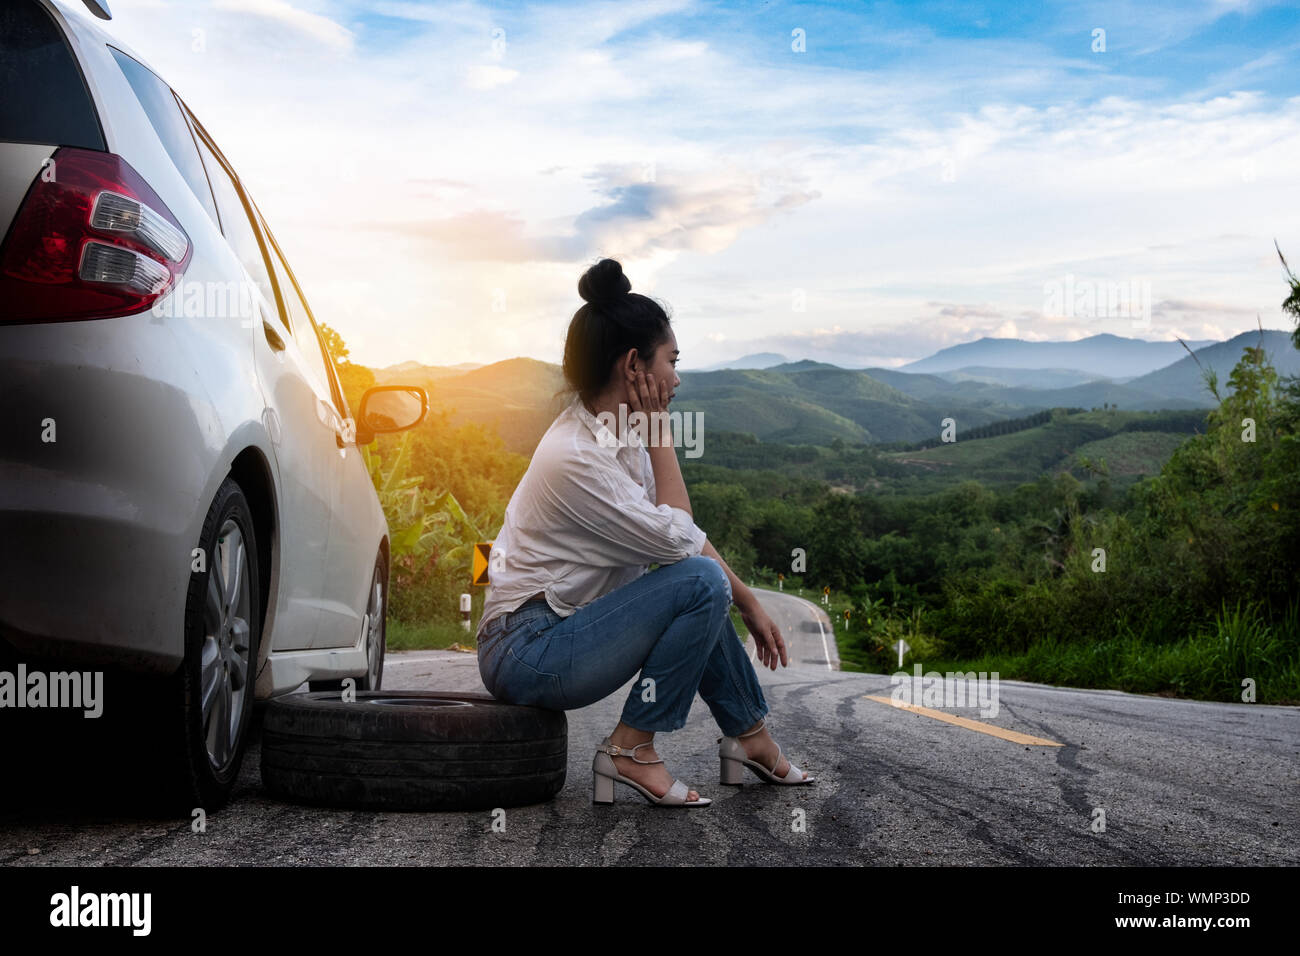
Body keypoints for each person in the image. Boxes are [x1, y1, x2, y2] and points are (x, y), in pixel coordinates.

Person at [476, 257, 814, 807]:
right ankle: (631, 750)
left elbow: (674, 538)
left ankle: (750, 739)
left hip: (559, 631)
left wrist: (748, 600)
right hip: (526, 650)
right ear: (634, 364)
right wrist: (661, 432)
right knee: (701, 583)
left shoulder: (616, 432)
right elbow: (680, 543)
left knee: (701, 584)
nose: (677, 379)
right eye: (671, 361)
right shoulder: (577, 457)